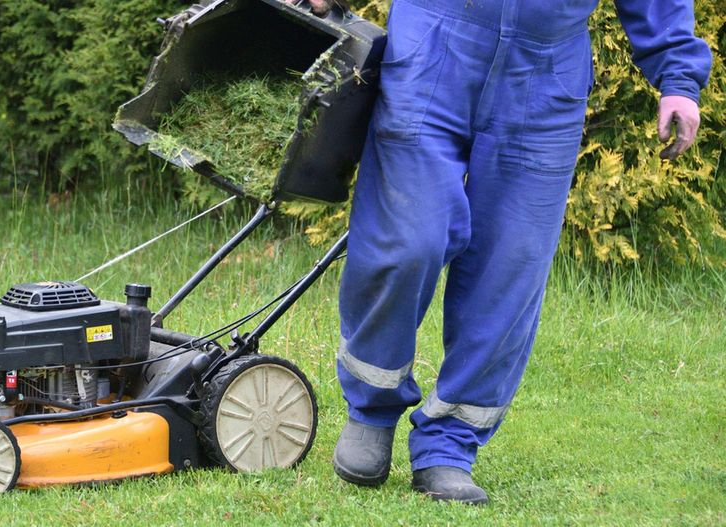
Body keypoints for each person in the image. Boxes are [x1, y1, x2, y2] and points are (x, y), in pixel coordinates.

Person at [287, 0, 712, 504]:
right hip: (433, 45)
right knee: (405, 241)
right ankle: (371, 408)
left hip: (546, 72)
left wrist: (678, 77)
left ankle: (449, 444)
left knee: (509, 270)